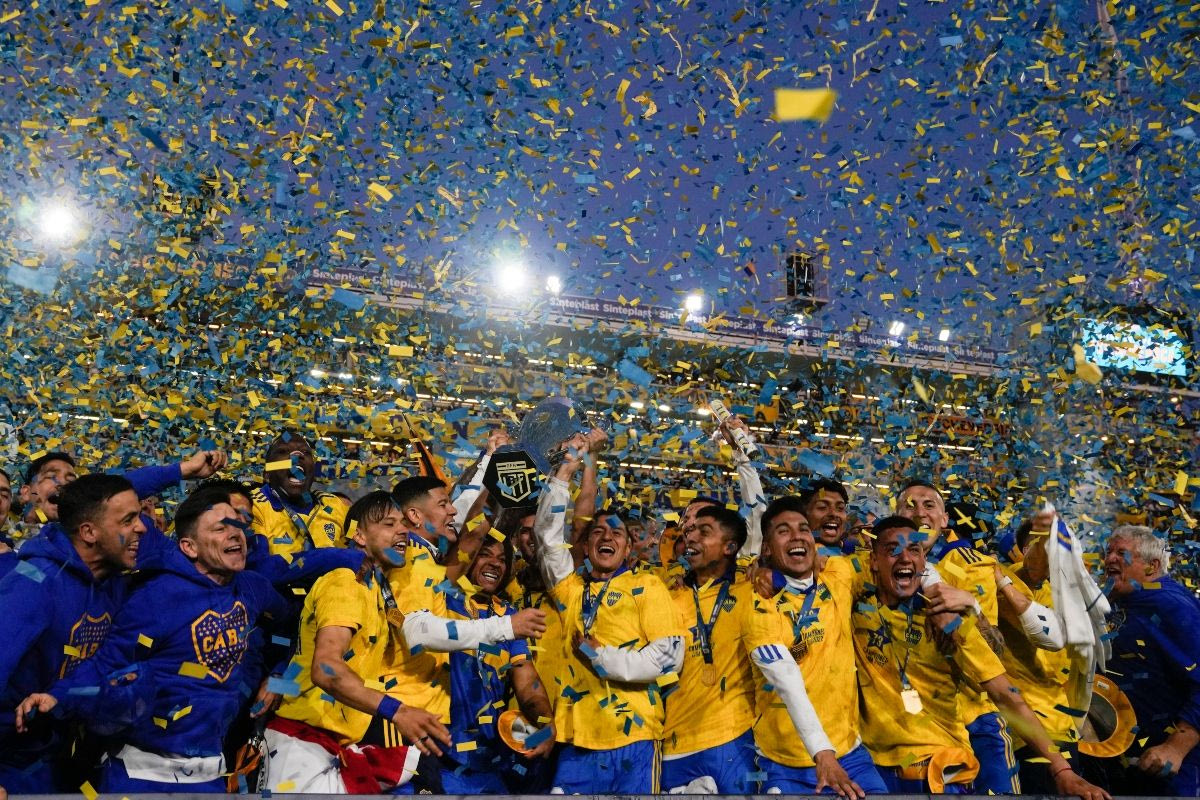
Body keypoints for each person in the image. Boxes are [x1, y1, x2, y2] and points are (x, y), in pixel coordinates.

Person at [15, 486, 287, 793]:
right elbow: (108, 660)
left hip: (211, 775)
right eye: (220, 529)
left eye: (237, 525)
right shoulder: (158, 596)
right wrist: (57, 696)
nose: (235, 534)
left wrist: (279, 676)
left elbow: (289, 627)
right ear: (189, 547)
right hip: (141, 776)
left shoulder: (254, 588)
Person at [854, 516, 1108, 799]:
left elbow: (1005, 693)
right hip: (877, 770)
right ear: (873, 560)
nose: (905, 558)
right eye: (893, 550)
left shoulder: (950, 619)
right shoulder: (854, 604)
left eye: (914, 550)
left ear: (924, 559)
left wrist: (1062, 770)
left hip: (944, 766)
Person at [265, 490, 449, 794]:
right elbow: (325, 668)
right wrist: (398, 711)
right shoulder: (345, 582)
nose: (402, 530)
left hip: (331, 745)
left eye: (402, 523)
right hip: (303, 744)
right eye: (389, 524)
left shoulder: (371, 587)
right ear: (359, 536)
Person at [663, 504, 854, 795]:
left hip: (735, 739)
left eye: (703, 532)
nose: (691, 537)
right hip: (674, 743)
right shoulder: (665, 594)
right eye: (689, 531)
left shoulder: (753, 589)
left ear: (729, 547)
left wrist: (769, 571)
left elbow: (797, 566)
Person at [532, 436, 685, 794]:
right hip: (577, 741)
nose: (607, 537)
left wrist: (601, 656)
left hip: (636, 738)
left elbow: (668, 659)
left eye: (617, 533)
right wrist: (564, 472)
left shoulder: (648, 585)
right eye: (598, 532)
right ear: (585, 546)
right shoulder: (571, 590)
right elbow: (547, 539)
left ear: (628, 548)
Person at [0, 474, 146, 792]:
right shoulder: (34, 583)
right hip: (13, 764)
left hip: (64, 756)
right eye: (128, 520)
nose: (142, 528)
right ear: (89, 532)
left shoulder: (113, 582)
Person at [747, 495, 887, 795]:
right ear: (767, 548)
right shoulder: (758, 602)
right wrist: (822, 753)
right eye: (783, 531)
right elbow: (785, 679)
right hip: (784, 762)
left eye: (803, 528)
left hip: (850, 753)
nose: (797, 536)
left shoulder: (839, 574)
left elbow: (900, 560)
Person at [897, 479, 1017, 794]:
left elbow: (994, 651)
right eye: (909, 506)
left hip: (978, 717)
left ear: (945, 519)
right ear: (896, 517)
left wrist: (973, 607)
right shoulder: (874, 571)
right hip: (916, 726)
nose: (919, 513)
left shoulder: (972, 568)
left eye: (929, 505)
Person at [437, 533, 555, 793]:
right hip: (440, 752)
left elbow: (527, 682)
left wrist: (546, 722)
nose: (495, 563)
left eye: (502, 559)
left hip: (490, 757)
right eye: (484, 554)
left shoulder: (510, 616)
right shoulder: (442, 599)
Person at [1103, 524, 1200, 795]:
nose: (1110, 559)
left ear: (1152, 565)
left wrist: (1176, 747)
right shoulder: (1115, 602)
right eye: (1108, 551)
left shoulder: (1172, 605)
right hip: (1126, 760)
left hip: (1172, 766)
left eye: (1122, 553)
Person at [994, 518, 1077, 792]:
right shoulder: (996, 580)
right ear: (1028, 548)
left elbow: (1057, 640)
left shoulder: (1063, 594)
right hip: (1021, 730)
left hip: (1061, 725)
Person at [251, 432, 350, 557]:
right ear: (267, 474)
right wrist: (326, 558)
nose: (297, 455)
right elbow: (259, 564)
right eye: (283, 451)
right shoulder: (254, 506)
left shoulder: (334, 504)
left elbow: (357, 539)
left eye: (306, 452)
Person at [799, 478, 851, 551]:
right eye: (822, 507)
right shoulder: (788, 556)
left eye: (840, 508)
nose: (833, 513)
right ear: (803, 514)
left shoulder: (856, 555)